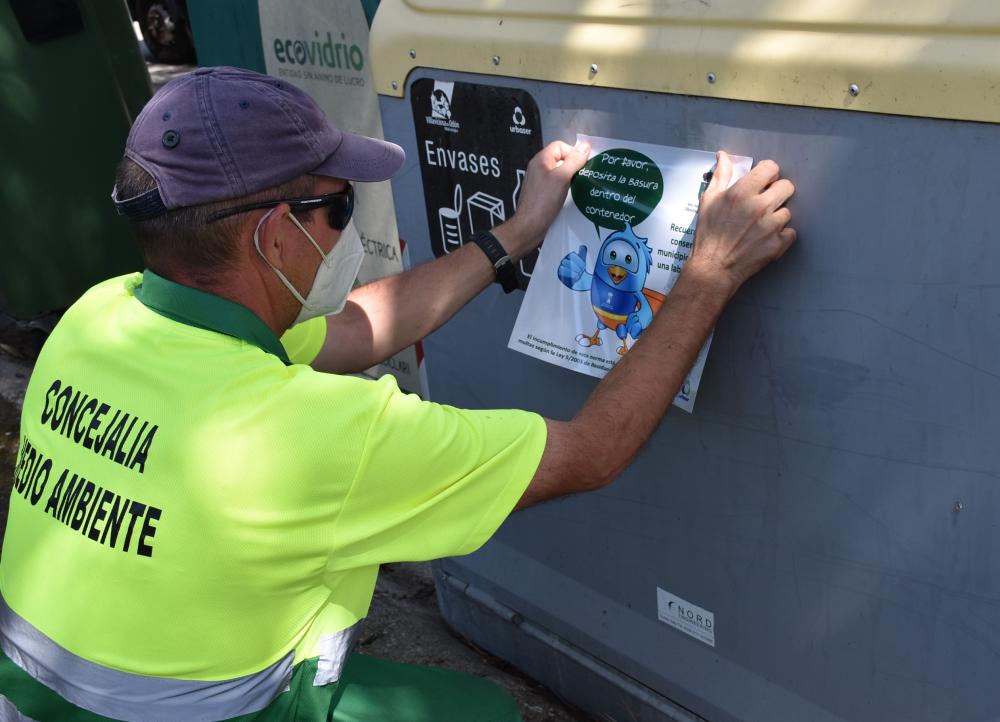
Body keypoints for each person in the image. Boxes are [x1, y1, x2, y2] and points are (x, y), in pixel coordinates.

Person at [0, 67, 795, 721]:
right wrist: (707, 274)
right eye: (336, 206)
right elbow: (590, 453)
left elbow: (360, 326)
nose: (346, 231)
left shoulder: (102, 318)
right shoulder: (308, 435)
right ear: (275, 234)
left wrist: (514, 234)